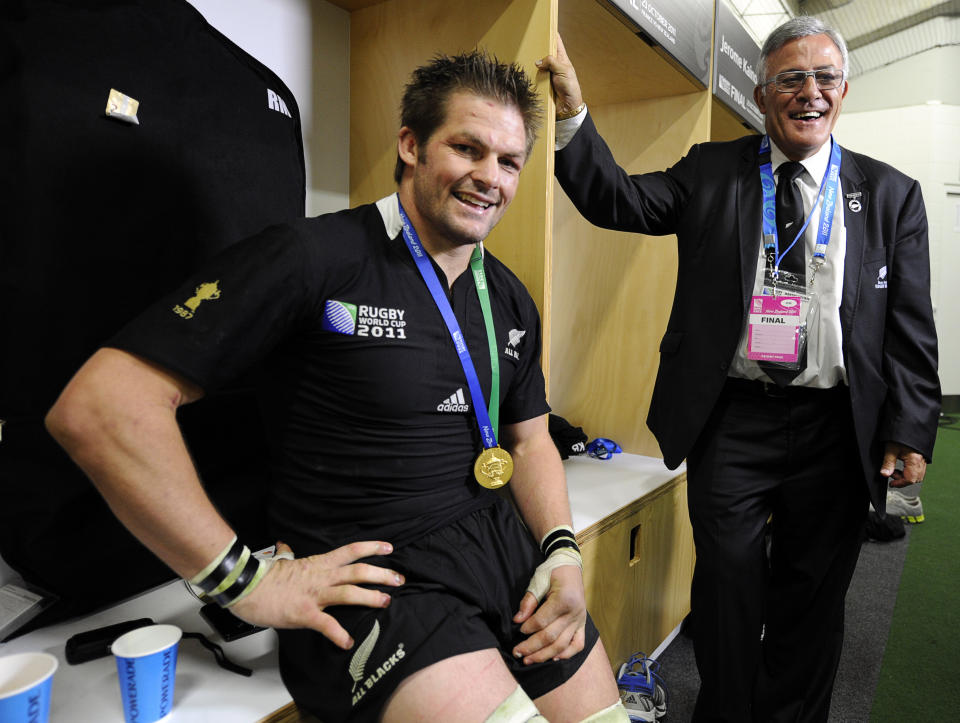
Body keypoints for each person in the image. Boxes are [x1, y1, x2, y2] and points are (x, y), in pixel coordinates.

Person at [46, 51, 628, 723]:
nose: (488, 177)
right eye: (467, 148)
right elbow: (101, 408)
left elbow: (529, 444)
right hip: (383, 583)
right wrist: (241, 582)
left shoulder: (507, 295)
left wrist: (560, 551)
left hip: (507, 556)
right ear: (410, 144)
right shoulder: (312, 258)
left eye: (508, 161)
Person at [537, 17, 939, 722]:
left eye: (823, 77)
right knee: (725, 586)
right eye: (790, 78)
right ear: (761, 94)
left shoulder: (890, 193)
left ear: (843, 90)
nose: (808, 91)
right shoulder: (712, 170)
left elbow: (909, 325)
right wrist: (573, 110)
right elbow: (618, 200)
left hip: (837, 425)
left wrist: (909, 428)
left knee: (811, 595)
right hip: (734, 418)